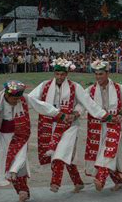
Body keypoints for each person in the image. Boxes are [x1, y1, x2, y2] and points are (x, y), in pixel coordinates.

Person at [29, 58, 111, 193]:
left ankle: (55, 182)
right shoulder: (44, 85)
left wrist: (80, 113)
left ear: (67, 74)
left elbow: (87, 103)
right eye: (57, 74)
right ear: (54, 73)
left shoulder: (75, 87)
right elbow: (31, 99)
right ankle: (78, 182)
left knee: (60, 153)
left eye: (62, 74)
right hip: (49, 125)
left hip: (70, 126)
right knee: (68, 155)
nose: (60, 77)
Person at [0, 81, 62, 202]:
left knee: (19, 161)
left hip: (21, 135)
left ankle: (22, 190)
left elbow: (40, 105)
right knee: (8, 164)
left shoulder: (24, 98)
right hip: (4, 137)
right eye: (14, 98)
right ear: (7, 95)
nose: (16, 101)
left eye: (18, 98)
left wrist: (58, 114)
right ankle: (22, 191)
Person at [84, 60, 122, 191]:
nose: (98, 77)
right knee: (107, 154)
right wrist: (74, 114)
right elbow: (82, 105)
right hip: (97, 127)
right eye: (96, 74)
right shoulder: (90, 90)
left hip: (115, 126)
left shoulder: (119, 88)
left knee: (108, 151)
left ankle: (100, 179)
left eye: (101, 74)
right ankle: (118, 180)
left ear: (107, 73)